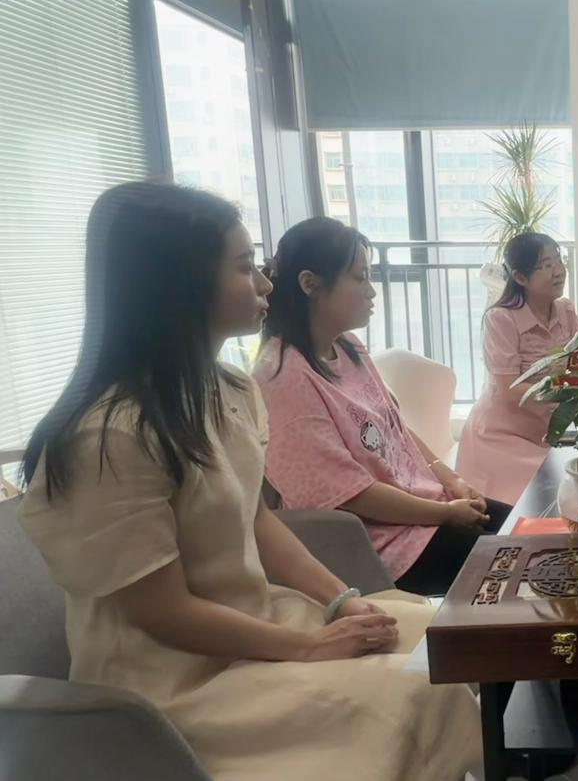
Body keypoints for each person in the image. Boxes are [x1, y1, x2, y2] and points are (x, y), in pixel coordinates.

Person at [19, 183, 480, 781]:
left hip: (258, 626)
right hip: (177, 683)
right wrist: (310, 648)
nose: (265, 283)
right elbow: (161, 612)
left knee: (449, 638)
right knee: (414, 691)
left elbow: (258, 522)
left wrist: (341, 600)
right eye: (244, 267)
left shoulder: (228, 392)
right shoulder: (108, 438)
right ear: (179, 282)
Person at [255, 217, 510, 595]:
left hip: (425, 512)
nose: (371, 291)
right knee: (517, 560)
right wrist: (444, 513)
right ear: (310, 284)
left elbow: (395, 428)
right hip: (384, 549)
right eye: (360, 278)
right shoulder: (282, 378)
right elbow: (351, 494)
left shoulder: (348, 346)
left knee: (528, 528)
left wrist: (451, 480)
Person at [456, 232, 578, 504]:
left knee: (568, 489)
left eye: (559, 261)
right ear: (520, 277)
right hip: (499, 440)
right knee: (554, 495)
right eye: (546, 265)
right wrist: (565, 393)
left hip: (540, 436)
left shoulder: (565, 311)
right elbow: (510, 389)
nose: (558, 271)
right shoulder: (500, 319)